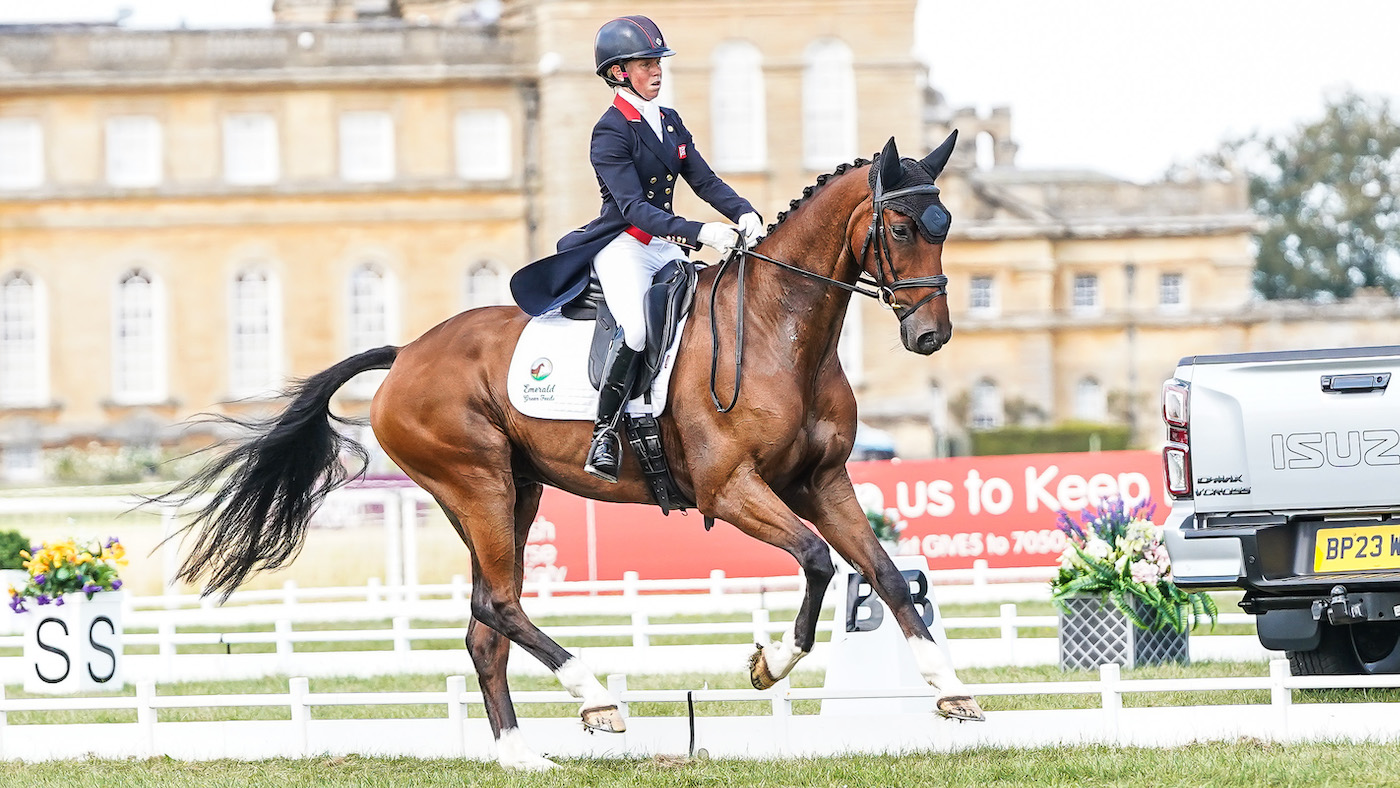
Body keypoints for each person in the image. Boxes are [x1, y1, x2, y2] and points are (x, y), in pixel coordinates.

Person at [510, 14, 762, 484]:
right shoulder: (610, 132)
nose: (657, 71)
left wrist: (743, 211)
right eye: (647, 64)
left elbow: (703, 180)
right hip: (624, 245)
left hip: (664, 245)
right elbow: (632, 209)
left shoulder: (669, 122)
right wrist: (700, 232)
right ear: (619, 72)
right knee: (635, 331)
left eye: (658, 62)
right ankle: (604, 433)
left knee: (708, 310)